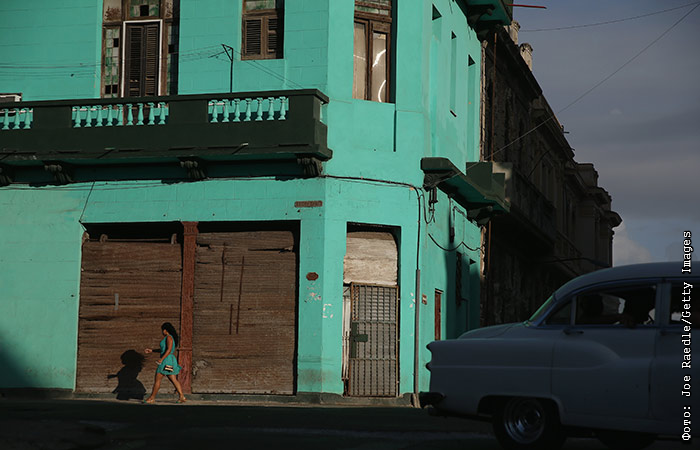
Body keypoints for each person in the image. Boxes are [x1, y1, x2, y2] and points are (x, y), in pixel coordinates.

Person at [143, 322, 186, 404]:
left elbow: (169, 350)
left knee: (158, 379)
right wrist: (152, 350)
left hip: (166, 360)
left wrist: (161, 359)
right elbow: (164, 350)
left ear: (165, 330)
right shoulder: (170, 338)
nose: (162, 332)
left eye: (162, 330)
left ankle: (152, 398)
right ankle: (182, 396)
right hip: (170, 360)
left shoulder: (169, 337)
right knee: (173, 379)